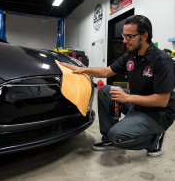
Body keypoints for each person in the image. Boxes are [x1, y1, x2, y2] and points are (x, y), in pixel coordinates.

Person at [60, 15, 175, 157]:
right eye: (124, 35)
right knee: (105, 91)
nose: (124, 41)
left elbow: (162, 100)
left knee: (118, 137)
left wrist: (127, 98)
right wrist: (83, 69)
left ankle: (155, 138)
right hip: (137, 104)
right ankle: (108, 140)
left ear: (144, 36)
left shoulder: (162, 61)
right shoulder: (131, 56)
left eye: (129, 36)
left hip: (158, 113)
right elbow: (107, 71)